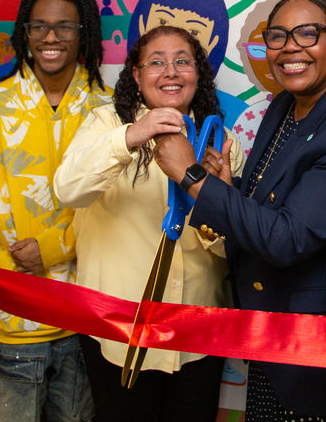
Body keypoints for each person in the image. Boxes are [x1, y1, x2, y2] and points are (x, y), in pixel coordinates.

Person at [154, 0, 326, 421]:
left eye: (308, 33)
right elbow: (265, 211)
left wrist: (190, 177)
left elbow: (288, 238)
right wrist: (227, 188)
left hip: (314, 355)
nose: (290, 46)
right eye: (277, 35)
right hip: (270, 338)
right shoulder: (286, 104)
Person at [0, 0, 111, 422]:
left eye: (65, 27)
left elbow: (116, 209)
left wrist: (54, 248)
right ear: (25, 34)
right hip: (12, 318)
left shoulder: (110, 112)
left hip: (84, 316)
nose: (50, 37)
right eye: (39, 26)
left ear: (84, 34)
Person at [56, 26, 245, 421]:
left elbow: (236, 248)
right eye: (156, 62)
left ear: (199, 74)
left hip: (197, 338)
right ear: (137, 76)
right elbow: (69, 191)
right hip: (118, 337)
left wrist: (218, 197)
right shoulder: (104, 124)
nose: (171, 71)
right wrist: (132, 136)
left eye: (183, 61)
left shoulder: (220, 140)